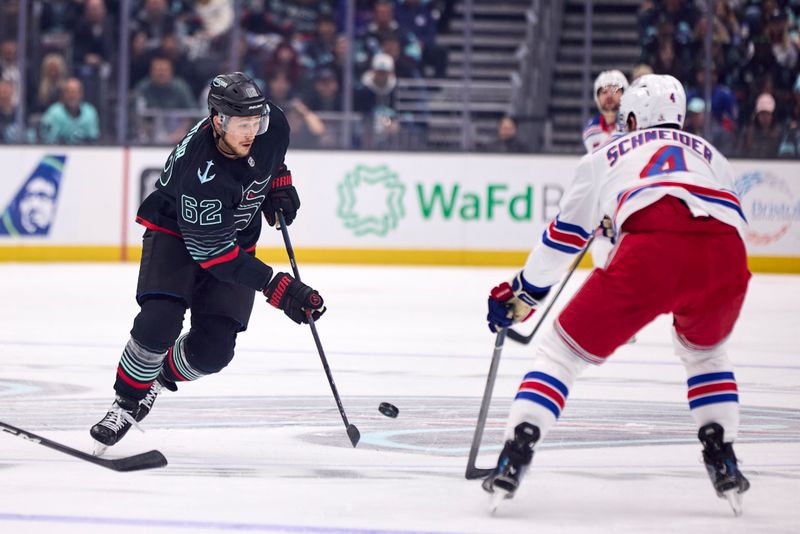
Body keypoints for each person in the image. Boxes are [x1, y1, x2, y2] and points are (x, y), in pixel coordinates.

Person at [483, 75, 751, 515]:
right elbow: (731, 219)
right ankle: (722, 455)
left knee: (560, 355)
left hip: (650, 255)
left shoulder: (604, 154)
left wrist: (523, 294)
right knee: (706, 355)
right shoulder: (712, 154)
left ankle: (518, 449)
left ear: (631, 117)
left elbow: (564, 239)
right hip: (726, 258)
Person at [90, 72, 326, 454]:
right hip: (177, 235)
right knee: (159, 321)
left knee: (214, 351)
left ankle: (157, 378)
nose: (252, 132)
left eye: (256, 122)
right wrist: (276, 287)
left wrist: (278, 184)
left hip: (232, 238)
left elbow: (272, 160)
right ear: (218, 121)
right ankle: (126, 403)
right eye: (242, 125)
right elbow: (214, 256)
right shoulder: (201, 172)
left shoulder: (274, 125)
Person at [582, 70, 628, 271]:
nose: (609, 95)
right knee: (600, 253)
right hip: (608, 206)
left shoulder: (634, 124)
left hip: (631, 200)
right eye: (603, 91)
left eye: (615, 90)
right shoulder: (591, 131)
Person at [39, 78, 100, 144]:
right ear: (63, 95)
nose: (72, 96)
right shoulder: (53, 113)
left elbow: (93, 139)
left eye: (75, 92)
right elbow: (48, 141)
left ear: (81, 94)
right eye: (69, 92)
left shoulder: (90, 113)